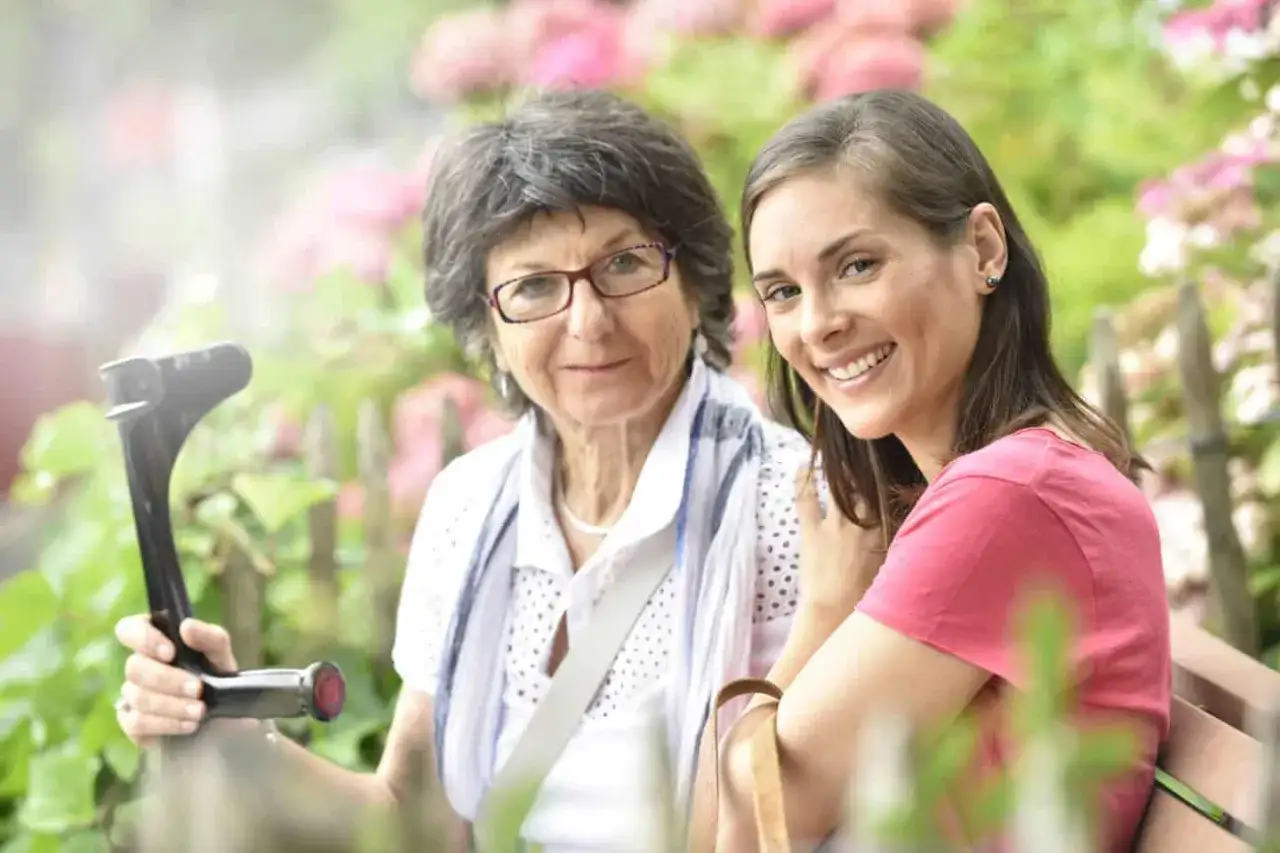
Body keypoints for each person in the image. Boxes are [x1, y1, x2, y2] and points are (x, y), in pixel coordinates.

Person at [112, 89, 815, 852]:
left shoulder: (790, 503)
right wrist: (226, 723)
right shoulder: (469, 505)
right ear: (486, 323)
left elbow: (820, 812)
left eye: (624, 263)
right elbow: (412, 819)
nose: (588, 320)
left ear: (695, 280)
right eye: (534, 286)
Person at [692, 89, 1171, 853]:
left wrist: (822, 609)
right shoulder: (1016, 482)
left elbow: (746, 825)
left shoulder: (1008, 499)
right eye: (783, 291)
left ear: (982, 249)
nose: (816, 322)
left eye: (856, 265)